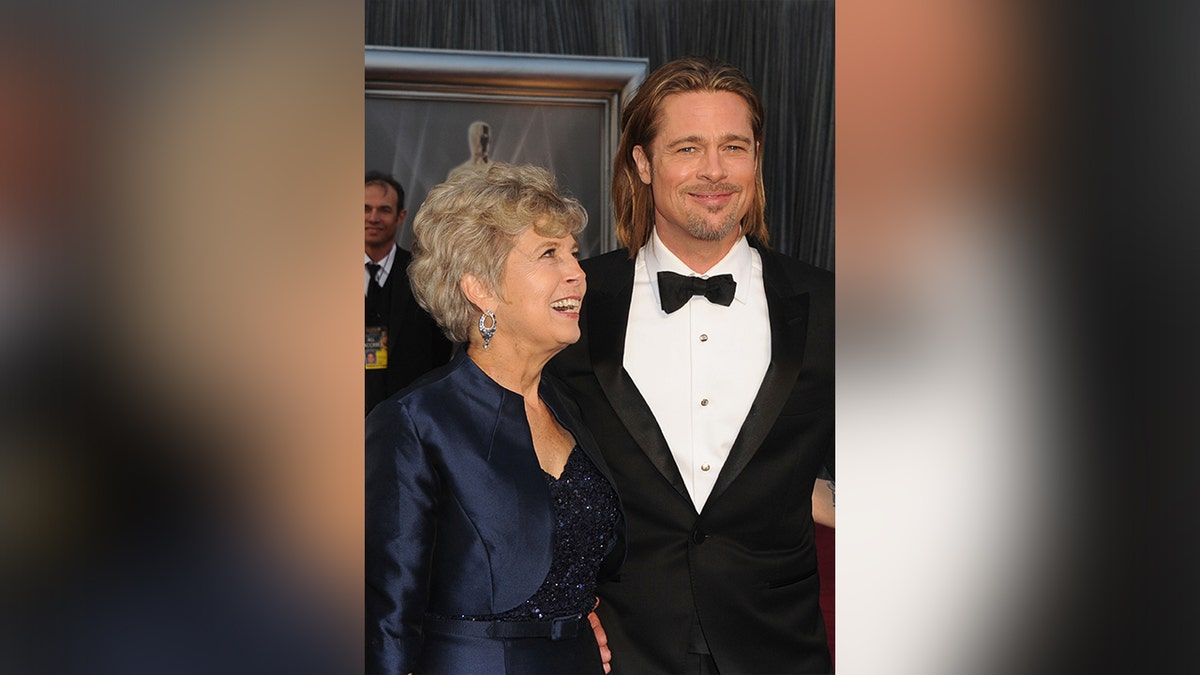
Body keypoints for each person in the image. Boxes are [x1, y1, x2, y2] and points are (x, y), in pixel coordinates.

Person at [551, 56, 834, 674]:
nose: (714, 170)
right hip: (615, 651)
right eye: (687, 147)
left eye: (734, 146)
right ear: (643, 163)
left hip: (779, 648)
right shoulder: (571, 305)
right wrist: (556, 599)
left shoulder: (831, 307)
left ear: (757, 161)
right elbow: (509, 478)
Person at [365, 162, 624, 675]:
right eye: (549, 254)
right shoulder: (414, 422)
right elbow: (386, 625)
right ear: (479, 289)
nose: (577, 272)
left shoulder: (571, 406)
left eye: (573, 253)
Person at [365, 171, 453, 415]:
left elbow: (440, 350)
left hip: (410, 414)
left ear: (400, 216)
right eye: (364, 208)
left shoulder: (423, 273)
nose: (373, 217)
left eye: (384, 209)